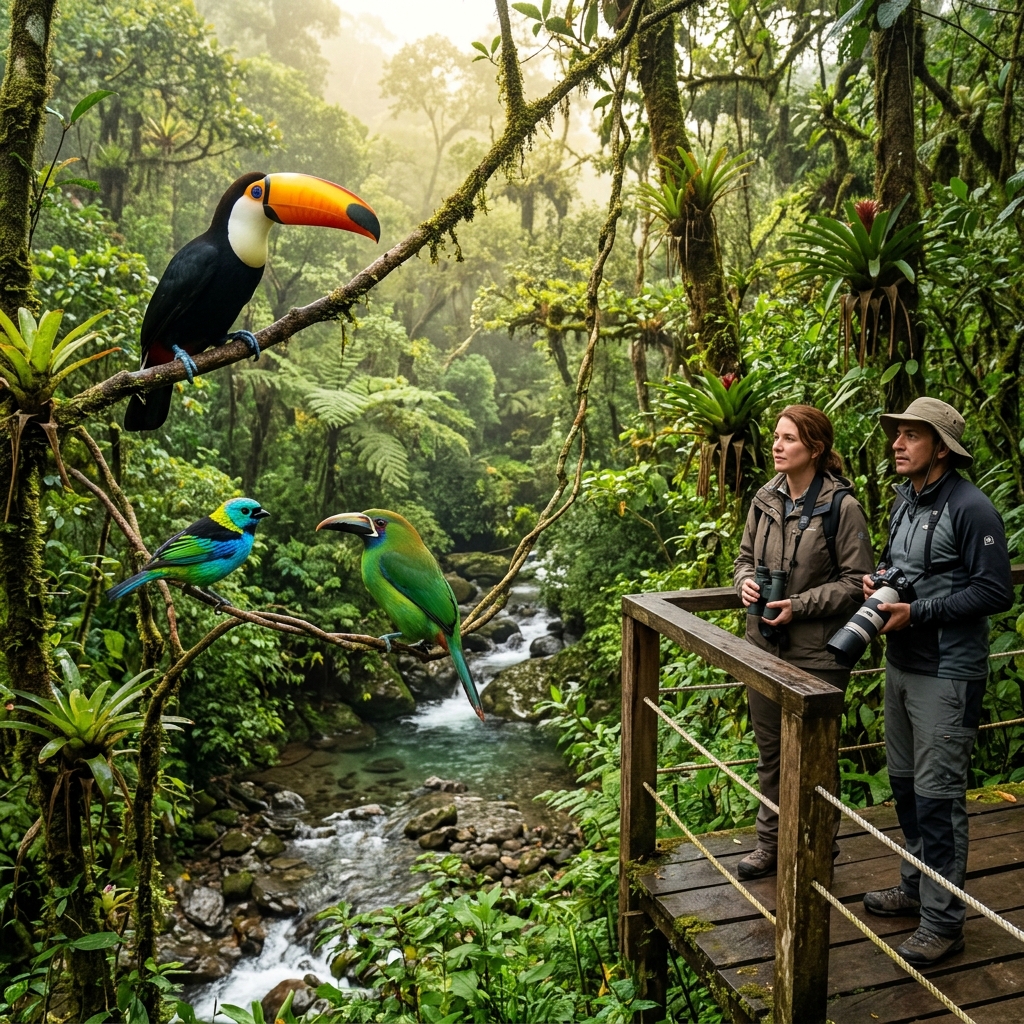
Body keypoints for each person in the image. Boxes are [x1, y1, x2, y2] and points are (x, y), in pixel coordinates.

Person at [861, 398, 1014, 966]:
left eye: (911, 436)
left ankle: (943, 922)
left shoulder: (971, 507)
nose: (897, 444)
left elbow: (995, 591)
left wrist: (918, 612)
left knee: (938, 798)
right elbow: (904, 571)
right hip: (901, 664)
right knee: (905, 789)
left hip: (947, 673)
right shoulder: (905, 501)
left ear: (942, 449)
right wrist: (878, 583)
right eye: (897, 434)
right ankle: (915, 885)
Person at [734, 405, 874, 879]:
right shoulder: (764, 498)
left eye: (789, 438)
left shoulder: (842, 507)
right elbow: (743, 558)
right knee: (771, 754)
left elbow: (857, 583)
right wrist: (744, 583)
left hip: (817, 654)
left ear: (814, 449)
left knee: (815, 759)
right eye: (776, 436)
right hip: (763, 646)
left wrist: (799, 604)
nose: (777, 445)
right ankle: (769, 845)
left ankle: (817, 850)